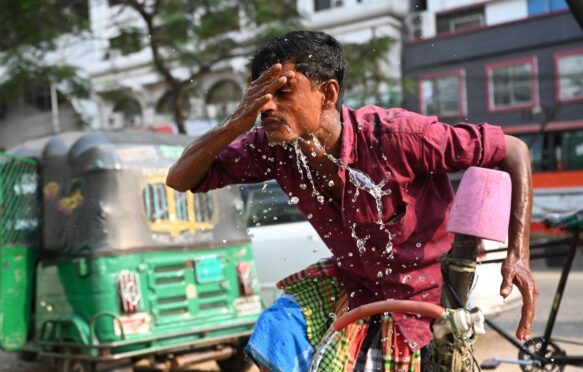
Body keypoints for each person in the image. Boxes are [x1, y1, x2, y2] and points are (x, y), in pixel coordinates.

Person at [166, 31, 537, 371]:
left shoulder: (398, 136)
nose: (265, 108)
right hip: (353, 283)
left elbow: (514, 150)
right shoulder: (274, 149)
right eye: (259, 96)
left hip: (422, 299)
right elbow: (180, 178)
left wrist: (518, 254)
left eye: (282, 92)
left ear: (327, 94)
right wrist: (235, 122)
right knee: (275, 333)